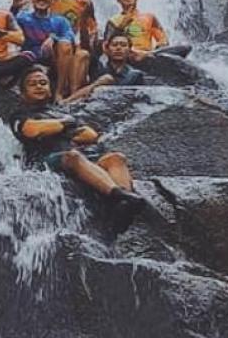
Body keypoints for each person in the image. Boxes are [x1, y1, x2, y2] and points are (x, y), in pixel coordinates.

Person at [10, 65, 146, 230]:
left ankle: (125, 203)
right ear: (23, 93)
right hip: (46, 162)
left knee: (116, 158)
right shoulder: (20, 115)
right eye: (33, 84)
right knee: (73, 155)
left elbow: (90, 135)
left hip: (81, 160)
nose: (39, 86)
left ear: (50, 89)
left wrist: (55, 128)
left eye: (43, 83)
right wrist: (66, 125)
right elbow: (32, 130)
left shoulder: (59, 112)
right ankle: (116, 194)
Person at [13, 0, 89, 100]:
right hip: (33, 60)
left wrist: (54, 38)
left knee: (82, 54)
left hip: (56, 62)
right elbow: (8, 27)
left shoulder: (60, 21)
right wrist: (14, 7)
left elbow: (70, 39)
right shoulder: (23, 17)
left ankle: (66, 94)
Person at [101, 0, 188, 61]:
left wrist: (152, 52)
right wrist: (122, 25)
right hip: (126, 58)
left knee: (184, 48)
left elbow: (163, 41)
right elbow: (106, 46)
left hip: (147, 56)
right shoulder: (113, 21)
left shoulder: (149, 17)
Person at [64, 32, 146, 102]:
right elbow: (83, 52)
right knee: (82, 54)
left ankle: (69, 101)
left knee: (107, 79)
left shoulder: (135, 75)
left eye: (123, 45)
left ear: (129, 51)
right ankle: (72, 99)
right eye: (114, 45)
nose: (118, 48)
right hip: (93, 103)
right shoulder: (98, 67)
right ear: (107, 49)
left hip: (120, 107)